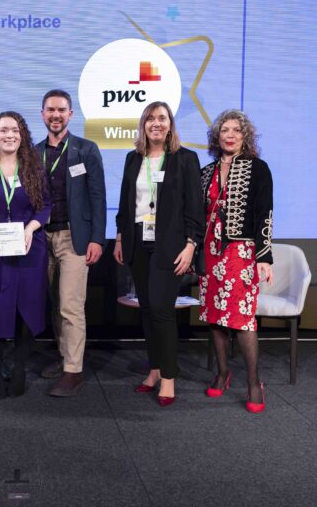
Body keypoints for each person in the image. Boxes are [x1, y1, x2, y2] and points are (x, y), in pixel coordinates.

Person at [113, 101, 204, 407]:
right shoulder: (132, 158)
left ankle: (168, 378)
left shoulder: (185, 159)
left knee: (163, 311)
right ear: (144, 124)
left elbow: (195, 207)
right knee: (149, 310)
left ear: (170, 124)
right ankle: (153, 371)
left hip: (171, 244)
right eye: (150, 118)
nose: (156, 123)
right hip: (138, 241)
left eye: (161, 118)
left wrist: (191, 245)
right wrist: (120, 238)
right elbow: (126, 204)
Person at [0, 111, 51, 399]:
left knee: (26, 309)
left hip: (30, 248)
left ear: (22, 134)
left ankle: (19, 370)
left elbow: (45, 206)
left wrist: (31, 228)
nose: (9, 135)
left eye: (14, 130)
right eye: (3, 130)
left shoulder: (34, 167)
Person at [199, 109, 273, 413]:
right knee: (215, 317)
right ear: (217, 136)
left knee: (242, 318)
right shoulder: (206, 172)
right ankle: (222, 372)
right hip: (210, 251)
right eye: (224, 130)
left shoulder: (258, 168)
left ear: (245, 136)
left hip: (241, 252)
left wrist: (263, 256)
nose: (229, 135)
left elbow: (264, 213)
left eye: (236, 130)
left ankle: (254, 382)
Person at [34, 89, 106, 396]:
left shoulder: (86, 149)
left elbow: (98, 197)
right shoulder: (33, 152)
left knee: (71, 306)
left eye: (61, 110)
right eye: (50, 110)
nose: (55, 115)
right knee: (54, 303)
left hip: (74, 238)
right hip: (41, 238)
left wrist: (97, 239)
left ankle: (73, 371)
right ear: (42, 114)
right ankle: (65, 356)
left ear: (71, 115)